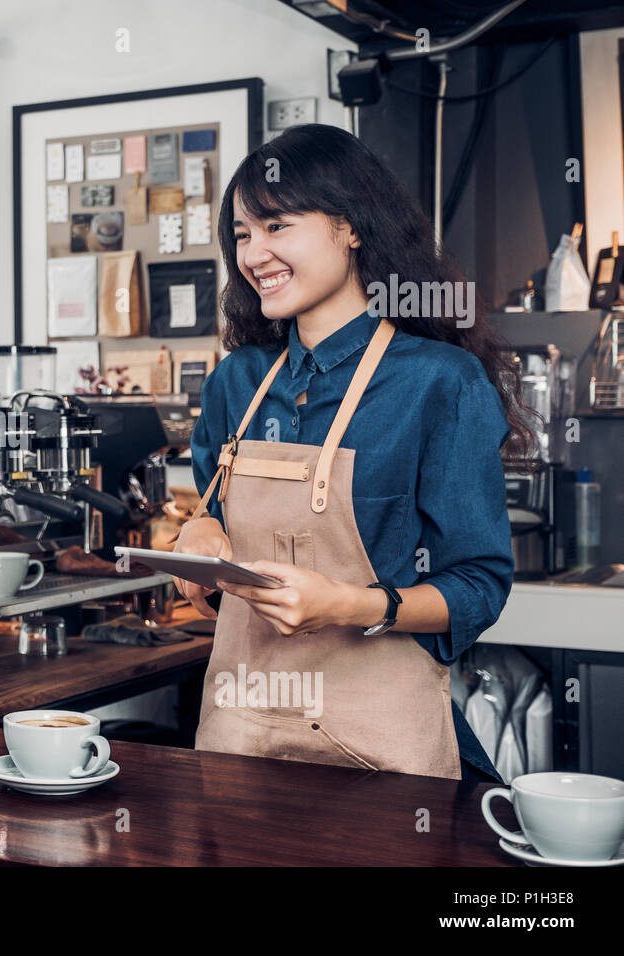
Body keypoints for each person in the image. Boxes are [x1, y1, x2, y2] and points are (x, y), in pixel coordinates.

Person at [175, 123, 534, 782]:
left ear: (351, 227)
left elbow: (478, 587)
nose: (253, 253)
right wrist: (198, 545)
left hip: (377, 764)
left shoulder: (439, 383)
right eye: (242, 234)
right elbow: (216, 532)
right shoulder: (239, 382)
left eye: (276, 225)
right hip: (238, 743)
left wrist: (346, 605)